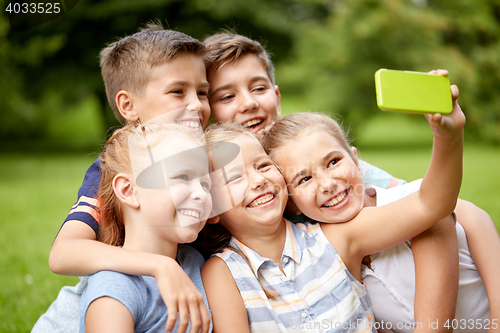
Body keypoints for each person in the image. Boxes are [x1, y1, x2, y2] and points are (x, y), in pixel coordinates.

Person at [200, 85, 465, 332]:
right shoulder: (222, 272)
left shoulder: (332, 238)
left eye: (263, 166)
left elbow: (429, 204)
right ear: (212, 211)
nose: (258, 180)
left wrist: (448, 137)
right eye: (234, 178)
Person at [32, 22, 211, 333]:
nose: (196, 104)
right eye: (177, 91)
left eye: (203, 92)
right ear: (128, 105)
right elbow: (63, 254)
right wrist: (159, 265)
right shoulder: (116, 167)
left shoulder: (204, 154)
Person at [262, 110, 499, 329]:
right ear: (291, 202)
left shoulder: (415, 202)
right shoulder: (325, 258)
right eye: (304, 179)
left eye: (334, 162)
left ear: (356, 160)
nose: (327, 184)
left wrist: (448, 136)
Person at [203, 31, 404, 189]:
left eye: (259, 88)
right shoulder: (211, 183)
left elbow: (409, 195)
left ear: (277, 98)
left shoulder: (317, 152)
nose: (249, 103)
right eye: (227, 97)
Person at [79, 123, 212, 332]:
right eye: (183, 177)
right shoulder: (115, 287)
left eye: (206, 185)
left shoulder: (195, 264)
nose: (202, 194)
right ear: (129, 191)